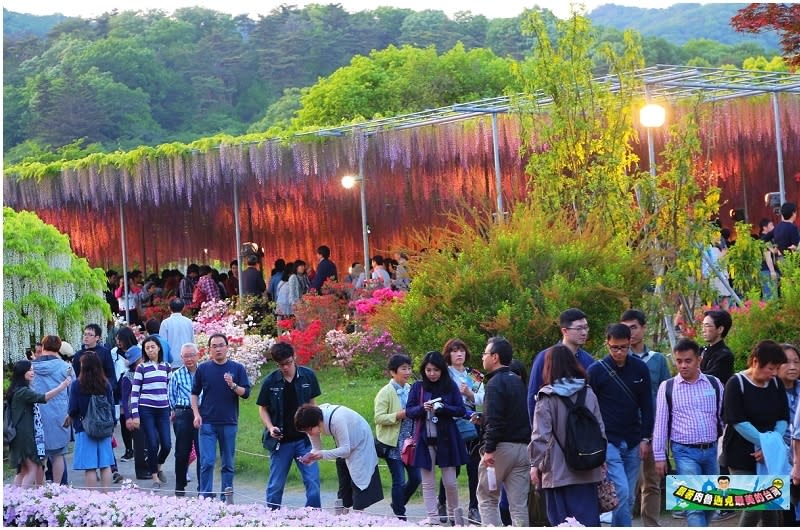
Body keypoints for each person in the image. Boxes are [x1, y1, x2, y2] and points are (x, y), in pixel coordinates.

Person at [529, 344, 604, 526]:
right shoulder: (588, 393)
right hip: (588, 469)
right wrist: (601, 460)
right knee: (588, 522)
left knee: (562, 523)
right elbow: (600, 429)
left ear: (549, 366)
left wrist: (534, 465)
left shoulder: (546, 397)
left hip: (558, 473)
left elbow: (541, 437)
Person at [586, 323, 653, 527]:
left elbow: (648, 405)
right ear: (607, 344)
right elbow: (588, 409)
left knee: (629, 497)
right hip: (608, 440)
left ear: (630, 343)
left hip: (633, 439)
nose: (619, 352)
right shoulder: (596, 371)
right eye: (614, 347)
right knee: (621, 491)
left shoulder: (640, 368)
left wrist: (645, 438)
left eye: (623, 347)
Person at [652, 338, 724, 527]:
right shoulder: (667, 387)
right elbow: (660, 423)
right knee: (694, 506)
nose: (683, 365)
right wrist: (659, 456)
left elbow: (723, 418)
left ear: (699, 360)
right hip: (684, 453)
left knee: (711, 503)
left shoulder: (714, 384)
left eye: (688, 361)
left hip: (711, 451)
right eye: (679, 361)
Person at [721, 339, 788, 527]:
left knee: (772, 507)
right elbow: (737, 421)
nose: (774, 373)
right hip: (741, 455)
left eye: (776, 369)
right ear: (756, 361)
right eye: (770, 368)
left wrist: (770, 447)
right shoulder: (736, 383)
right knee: (754, 505)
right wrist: (766, 444)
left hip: (769, 457)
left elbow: (783, 418)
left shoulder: (776, 384)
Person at [620, 309, 671, 527]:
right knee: (626, 482)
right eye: (626, 328)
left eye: (634, 327)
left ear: (643, 328)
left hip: (653, 429)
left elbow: (668, 394)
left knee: (651, 481)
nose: (630, 332)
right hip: (625, 429)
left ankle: (651, 524)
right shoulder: (619, 359)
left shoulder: (657, 360)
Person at [406, 351, 469, 526]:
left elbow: (461, 410)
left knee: (450, 482)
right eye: (428, 370)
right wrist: (422, 408)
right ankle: (432, 518)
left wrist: (442, 408)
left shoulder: (450, 386)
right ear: (423, 370)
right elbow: (409, 411)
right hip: (425, 440)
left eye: (436, 370)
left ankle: (455, 517)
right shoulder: (418, 387)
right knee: (428, 483)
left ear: (442, 370)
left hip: (447, 439)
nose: (432, 374)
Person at [257, 342, 322, 509]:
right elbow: (262, 409)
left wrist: (315, 431)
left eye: (288, 363)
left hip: (304, 441)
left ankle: (315, 518)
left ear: (294, 358)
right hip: (281, 442)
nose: (285, 367)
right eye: (281, 365)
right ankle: (272, 518)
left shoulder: (308, 376)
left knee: (313, 483)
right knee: (275, 486)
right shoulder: (270, 381)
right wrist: (271, 427)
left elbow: (313, 405)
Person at [477, 337, 531, 527]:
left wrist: (489, 449)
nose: (482, 357)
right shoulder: (519, 382)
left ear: (495, 357)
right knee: (519, 505)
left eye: (485, 353)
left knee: (488, 498)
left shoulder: (494, 384)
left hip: (500, 450)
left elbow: (495, 421)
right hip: (523, 449)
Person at [191, 333, 251, 501]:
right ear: (209, 349)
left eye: (221, 345)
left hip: (229, 422)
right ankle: (205, 497)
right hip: (207, 422)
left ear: (227, 347)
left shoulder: (237, 368)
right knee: (207, 462)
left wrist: (233, 385)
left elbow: (246, 393)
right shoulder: (203, 369)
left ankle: (226, 497)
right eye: (214, 346)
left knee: (228, 464)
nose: (218, 349)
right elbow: (194, 393)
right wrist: (196, 414)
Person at [295, 403, 384, 511]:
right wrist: (310, 457)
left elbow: (345, 449)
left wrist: (322, 454)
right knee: (343, 479)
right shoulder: (313, 423)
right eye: (305, 431)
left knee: (358, 478)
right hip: (344, 444)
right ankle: (341, 517)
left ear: (316, 422)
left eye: (308, 430)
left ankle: (358, 517)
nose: (308, 433)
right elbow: (316, 449)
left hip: (360, 441)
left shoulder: (336, 420)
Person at [6, 359, 71, 487]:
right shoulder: (23, 392)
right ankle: (21, 497)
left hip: (18, 435)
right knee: (32, 468)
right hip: (24, 436)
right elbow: (43, 398)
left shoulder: (15, 390)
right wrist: (61, 387)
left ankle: (13, 498)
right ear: (22, 373)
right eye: (29, 370)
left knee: (23, 470)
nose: (32, 372)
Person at [440, 338, 484, 524]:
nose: (459, 354)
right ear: (448, 354)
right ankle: (443, 503)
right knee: (453, 467)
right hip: (453, 424)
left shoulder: (475, 375)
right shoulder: (444, 375)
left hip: (473, 423)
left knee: (474, 467)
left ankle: (474, 507)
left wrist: (470, 394)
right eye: (454, 351)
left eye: (462, 350)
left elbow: (482, 398)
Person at [374, 353, 422, 519]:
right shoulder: (385, 392)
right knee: (399, 480)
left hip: (410, 442)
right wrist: (398, 415)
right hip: (393, 443)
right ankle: (401, 517)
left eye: (409, 368)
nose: (408, 372)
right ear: (393, 372)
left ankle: (397, 503)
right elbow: (378, 418)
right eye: (403, 369)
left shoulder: (411, 389)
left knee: (416, 478)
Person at [527, 308, 595, 418]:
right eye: (579, 328)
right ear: (564, 331)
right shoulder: (545, 357)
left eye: (586, 327)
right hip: (551, 425)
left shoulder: (588, 360)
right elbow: (533, 396)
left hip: (582, 428)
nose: (584, 332)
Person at [128, 336, 172, 489]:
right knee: (152, 443)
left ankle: (158, 466)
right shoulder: (142, 368)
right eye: (147, 348)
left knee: (167, 444)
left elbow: (170, 390)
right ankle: (154, 477)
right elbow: (134, 393)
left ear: (159, 348)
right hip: (146, 409)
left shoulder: (167, 367)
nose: (150, 350)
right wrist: (135, 415)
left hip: (163, 409)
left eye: (153, 347)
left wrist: (171, 408)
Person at [68, 352, 116, 490]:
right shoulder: (105, 383)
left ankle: (92, 498)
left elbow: (73, 408)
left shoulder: (77, 384)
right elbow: (111, 406)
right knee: (105, 464)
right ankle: (106, 494)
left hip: (85, 428)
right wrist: (111, 425)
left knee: (90, 467)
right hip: (104, 427)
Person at [30, 335, 73, 486]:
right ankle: (56, 489)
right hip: (59, 413)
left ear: (43, 346)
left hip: (36, 415)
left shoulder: (31, 367)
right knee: (58, 454)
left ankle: (39, 489)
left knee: (39, 455)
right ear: (59, 347)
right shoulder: (65, 367)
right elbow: (71, 391)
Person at [168, 343, 201, 496]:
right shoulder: (176, 375)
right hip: (183, 414)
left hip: (202, 413)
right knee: (182, 452)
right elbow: (171, 397)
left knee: (203, 451)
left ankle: (204, 487)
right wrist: (177, 412)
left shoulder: (204, 372)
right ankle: (179, 486)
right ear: (181, 358)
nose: (189, 359)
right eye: (185, 356)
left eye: (191, 355)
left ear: (198, 355)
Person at [119, 342, 150, 480]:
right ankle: (141, 471)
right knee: (139, 443)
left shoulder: (147, 371)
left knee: (150, 441)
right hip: (134, 412)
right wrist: (128, 417)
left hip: (148, 411)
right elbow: (125, 400)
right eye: (140, 358)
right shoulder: (127, 377)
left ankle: (149, 467)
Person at [779, 343, 800, 525]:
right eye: (786, 362)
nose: (793, 367)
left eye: (796, 362)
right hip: (779, 462)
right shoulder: (767, 392)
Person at [699, 309, 734, 384]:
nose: (703, 330)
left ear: (720, 329)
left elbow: (709, 378)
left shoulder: (725, 356)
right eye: (703, 326)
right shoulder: (701, 350)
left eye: (707, 326)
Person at [159, 299, 194, 371]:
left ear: (169, 308)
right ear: (183, 308)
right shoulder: (188, 321)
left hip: (172, 361)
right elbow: (192, 341)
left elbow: (162, 344)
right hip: (187, 359)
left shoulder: (165, 323)